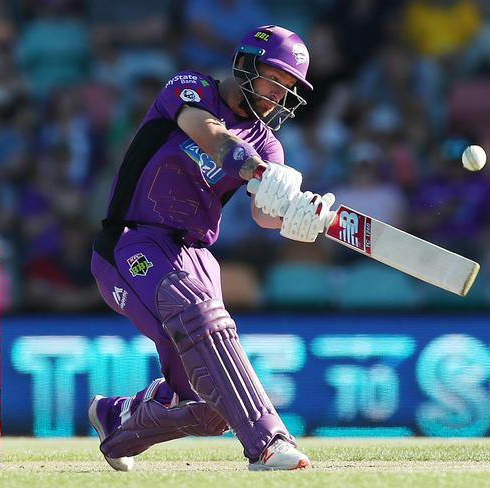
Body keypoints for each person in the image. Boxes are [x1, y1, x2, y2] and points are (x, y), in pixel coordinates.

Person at [88, 25, 335, 472]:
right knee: (201, 314)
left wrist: (298, 215)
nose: (279, 95)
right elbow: (212, 137)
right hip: (133, 242)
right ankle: (267, 442)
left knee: (209, 405)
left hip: (195, 255)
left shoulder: (268, 143)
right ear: (247, 64)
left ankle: (117, 419)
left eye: (289, 88)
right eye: (274, 79)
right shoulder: (190, 88)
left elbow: (264, 213)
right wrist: (260, 173)